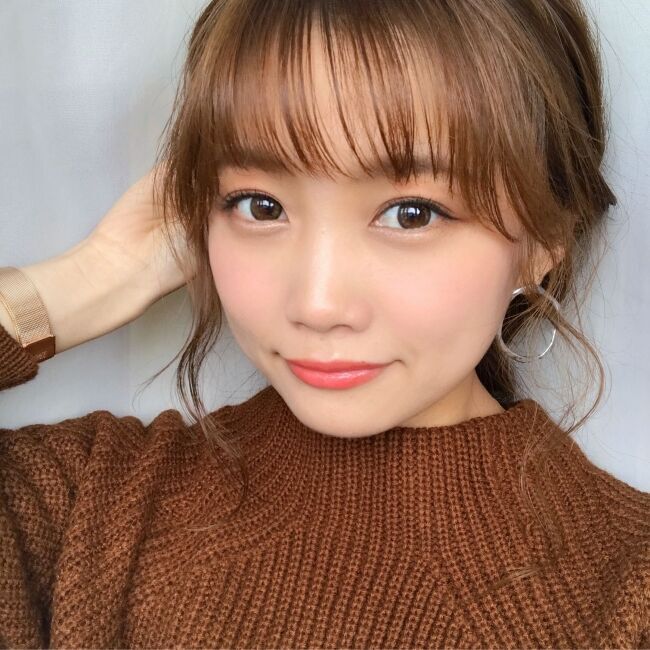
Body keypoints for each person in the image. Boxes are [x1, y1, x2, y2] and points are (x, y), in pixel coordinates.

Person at [1, 0, 648, 647]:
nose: (317, 303)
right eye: (260, 206)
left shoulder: (625, 597)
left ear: (543, 241)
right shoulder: (91, 505)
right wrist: (96, 275)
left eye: (412, 214)